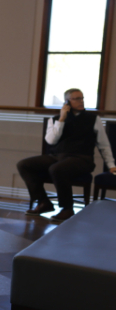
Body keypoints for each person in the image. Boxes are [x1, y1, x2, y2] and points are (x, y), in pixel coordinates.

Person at [17, 88, 116, 222]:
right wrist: (62, 119)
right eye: (76, 99)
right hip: (57, 156)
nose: (81, 101)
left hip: (82, 158)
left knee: (57, 169)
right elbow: (51, 141)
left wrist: (111, 165)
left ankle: (67, 208)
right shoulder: (55, 119)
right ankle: (43, 202)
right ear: (67, 102)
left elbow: (103, 144)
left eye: (82, 98)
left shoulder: (93, 119)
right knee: (24, 165)